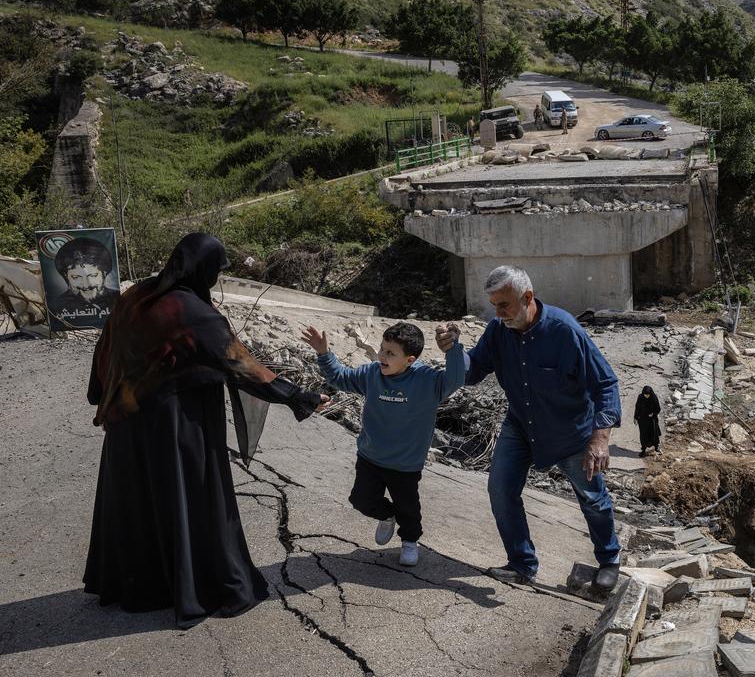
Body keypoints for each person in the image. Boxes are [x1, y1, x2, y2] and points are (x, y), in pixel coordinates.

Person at [84, 233, 328, 629]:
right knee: (187, 499)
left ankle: (142, 587)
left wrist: (100, 395)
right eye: (216, 270)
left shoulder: (134, 296)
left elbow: (106, 348)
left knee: (138, 503)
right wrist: (300, 396)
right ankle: (196, 588)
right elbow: (242, 365)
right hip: (177, 423)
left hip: (126, 423)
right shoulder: (191, 311)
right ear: (203, 270)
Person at [439, 265, 622, 590]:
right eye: (494, 304)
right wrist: (454, 351)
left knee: (592, 498)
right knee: (500, 489)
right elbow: (472, 372)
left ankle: (609, 560)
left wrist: (601, 438)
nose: (498, 312)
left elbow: (605, 383)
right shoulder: (498, 330)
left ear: (527, 297)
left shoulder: (564, 331)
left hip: (573, 433)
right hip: (521, 426)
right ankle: (522, 564)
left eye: (504, 304)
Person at [301, 321, 465, 567]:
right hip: (370, 457)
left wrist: (452, 349)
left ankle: (410, 541)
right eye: (381, 349)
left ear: (409, 360)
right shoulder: (372, 373)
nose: (382, 356)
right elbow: (339, 377)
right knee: (361, 500)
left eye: (390, 353)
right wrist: (323, 353)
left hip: (405, 464)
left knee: (408, 509)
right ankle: (387, 515)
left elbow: (455, 378)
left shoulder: (428, 381)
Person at [53, 237, 120, 327]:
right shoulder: (56, 307)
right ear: (66, 276)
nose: (86, 285)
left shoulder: (117, 301)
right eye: (76, 277)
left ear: (104, 273)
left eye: (92, 276)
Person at [634, 385, 661, 457]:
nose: (646, 396)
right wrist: (635, 417)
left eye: (648, 394)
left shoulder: (654, 398)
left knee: (654, 433)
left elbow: (658, 408)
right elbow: (637, 407)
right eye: (645, 394)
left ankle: (656, 447)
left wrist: (653, 413)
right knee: (643, 435)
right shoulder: (640, 397)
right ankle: (643, 450)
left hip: (652, 420)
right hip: (642, 420)